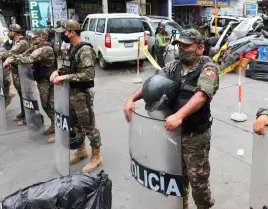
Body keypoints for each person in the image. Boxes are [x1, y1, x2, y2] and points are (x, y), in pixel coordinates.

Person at [124, 28, 219, 209]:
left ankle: (203, 206)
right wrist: (131, 98)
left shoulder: (208, 68)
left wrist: (179, 115)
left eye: (186, 45)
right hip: (171, 134)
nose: (181, 49)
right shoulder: (173, 66)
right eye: (179, 45)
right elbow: (153, 82)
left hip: (195, 136)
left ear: (199, 48)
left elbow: (201, 96)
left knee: (198, 182)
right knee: (175, 179)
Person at [50, 19, 103, 173]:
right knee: (74, 124)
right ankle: (81, 151)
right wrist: (57, 72)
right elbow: (67, 68)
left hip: (80, 94)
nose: (63, 35)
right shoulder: (71, 48)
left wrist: (65, 78)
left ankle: (96, 155)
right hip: (69, 94)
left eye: (64, 32)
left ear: (72, 32)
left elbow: (88, 74)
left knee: (88, 125)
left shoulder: (85, 50)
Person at [3, 29, 57, 141]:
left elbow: (29, 58)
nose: (32, 39)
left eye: (34, 37)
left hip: (48, 80)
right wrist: (11, 58)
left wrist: (11, 60)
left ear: (42, 37)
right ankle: (54, 125)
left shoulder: (45, 49)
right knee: (45, 104)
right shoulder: (36, 47)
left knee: (49, 104)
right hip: (41, 80)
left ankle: (59, 130)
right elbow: (24, 54)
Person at [0, 24, 28, 116]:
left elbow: (8, 53)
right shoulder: (13, 42)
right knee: (21, 92)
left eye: (9, 31)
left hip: (22, 71)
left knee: (24, 93)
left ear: (13, 32)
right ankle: (24, 113)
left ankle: (28, 116)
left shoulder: (21, 42)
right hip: (14, 70)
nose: (8, 33)